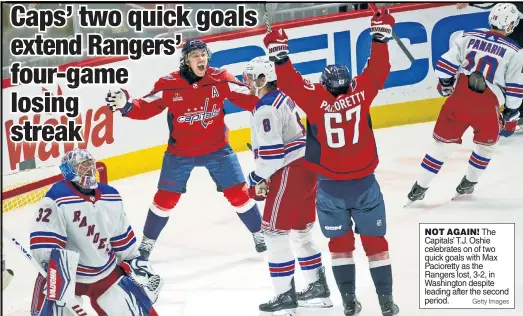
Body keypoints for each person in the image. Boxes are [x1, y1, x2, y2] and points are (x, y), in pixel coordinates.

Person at [262, 9, 399, 316]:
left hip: (331, 188)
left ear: (324, 85)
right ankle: (387, 302)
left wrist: (280, 55)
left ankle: (349, 303)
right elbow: (379, 68)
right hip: (365, 184)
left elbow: (290, 82)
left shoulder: (314, 98)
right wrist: (379, 36)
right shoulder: (361, 93)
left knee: (340, 246)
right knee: (376, 243)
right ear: (349, 84)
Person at [106, 39, 266, 259]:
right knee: (164, 199)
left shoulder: (220, 79)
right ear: (185, 61)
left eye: (203, 54)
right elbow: (146, 107)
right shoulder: (169, 84)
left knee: (238, 195)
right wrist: (125, 105)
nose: (201, 59)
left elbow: (251, 100)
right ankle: (147, 243)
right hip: (180, 154)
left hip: (218, 150)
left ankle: (260, 234)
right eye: (195, 55)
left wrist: (274, 94)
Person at [406, 3, 522, 203]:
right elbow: (515, 89)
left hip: (459, 98)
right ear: (510, 25)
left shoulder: (469, 35)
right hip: (488, 106)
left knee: (441, 146)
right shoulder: (515, 51)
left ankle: (419, 186)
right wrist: (511, 114)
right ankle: (469, 182)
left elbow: (445, 65)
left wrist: (446, 83)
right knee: (485, 147)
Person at [243, 56, 332, 315]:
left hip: (290, 172)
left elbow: (272, 156)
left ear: (263, 79)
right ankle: (318, 289)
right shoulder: (284, 96)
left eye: (250, 77)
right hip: (307, 169)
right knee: (300, 232)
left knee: (272, 232)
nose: (246, 82)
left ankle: (284, 295)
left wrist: (255, 179)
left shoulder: (265, 109)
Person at [30, 149, 163, 315]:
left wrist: (141, 269)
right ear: (68, 170)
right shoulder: (56, 197)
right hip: (69, 276)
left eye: (90, 164)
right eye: (81, 166)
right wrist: (53, 272)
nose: (88, 169)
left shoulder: (111, 196)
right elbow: (44, 242)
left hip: (105, 272)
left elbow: (124, 243)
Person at [457, 2, 523, 130]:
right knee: (513, 73)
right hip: (514, 32)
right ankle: (513, 114)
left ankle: (514, 114)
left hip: (515, 30)